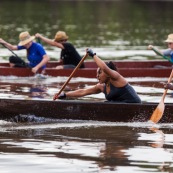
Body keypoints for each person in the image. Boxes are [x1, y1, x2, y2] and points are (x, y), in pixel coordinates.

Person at [53, 48, 141, 103]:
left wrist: (93, 54)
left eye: (99, 73)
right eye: (97, 73)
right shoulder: (101, 87)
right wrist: (65, 95)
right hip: (119, 107)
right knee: (106, 103)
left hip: (134, 105)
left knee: (107, 104)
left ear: (107, 74)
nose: (97, 76)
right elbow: (83, 92)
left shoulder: (116, 77)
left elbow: (104, 67)